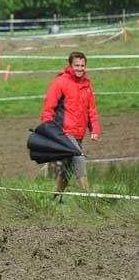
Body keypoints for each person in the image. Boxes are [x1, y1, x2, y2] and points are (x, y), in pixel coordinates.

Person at [40, 51, 100, 196]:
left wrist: (95, 129)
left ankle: (56, 197)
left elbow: (91, 109)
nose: (80, 68)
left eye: (82, 65)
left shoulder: (87, 85)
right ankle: (88, 197)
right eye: (76, 65)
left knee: (68, 168)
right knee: (78, 158)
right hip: (63, 132)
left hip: (79, 132)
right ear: (70, 65)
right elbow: (48, 108)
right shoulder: (60, 83)